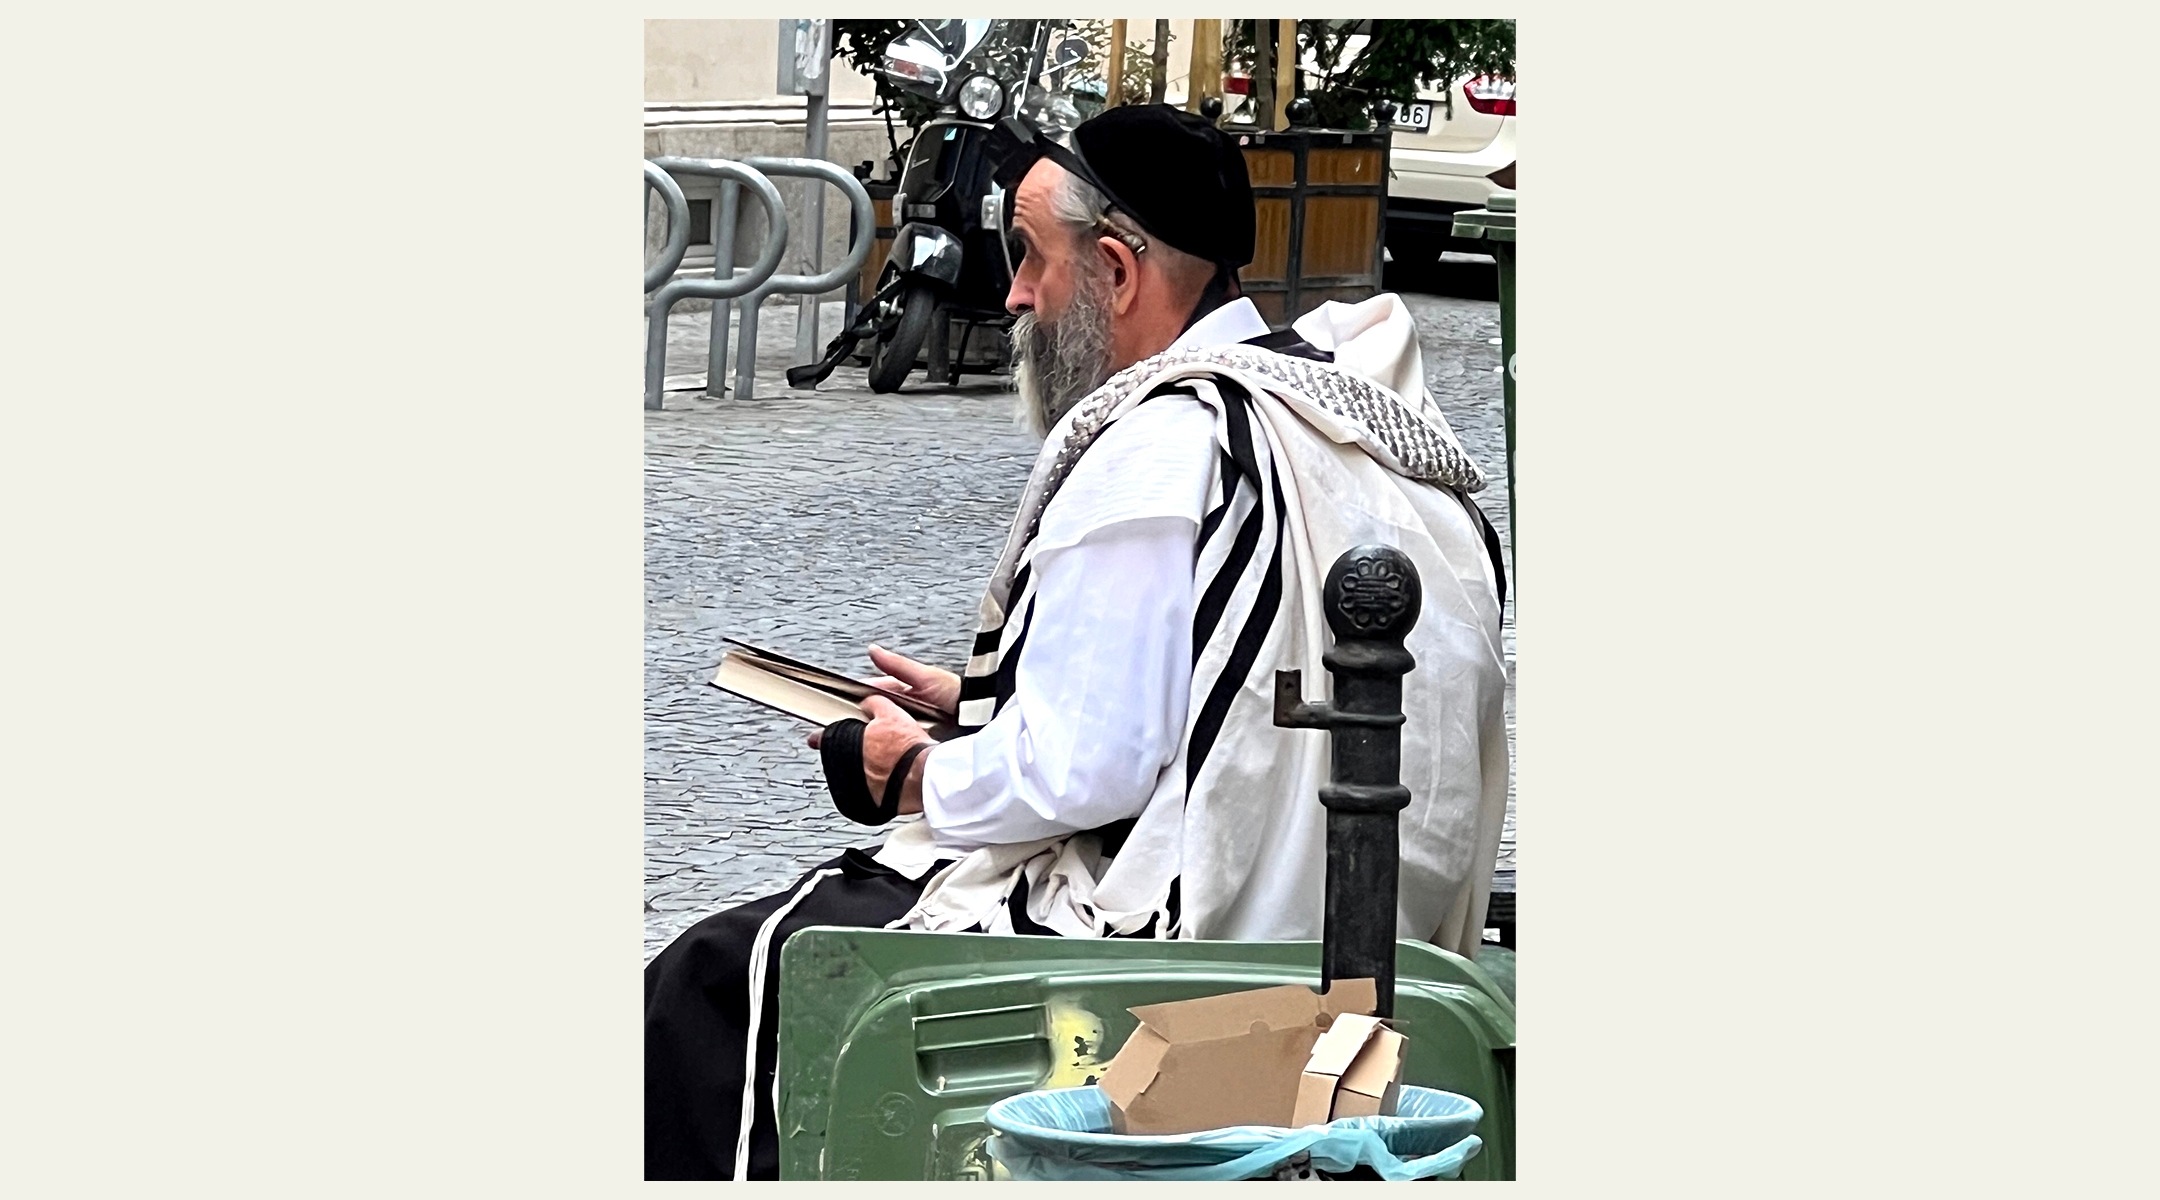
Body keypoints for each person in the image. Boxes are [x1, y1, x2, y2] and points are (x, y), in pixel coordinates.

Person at [645, 104, 1509, 1181]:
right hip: (1364, 927)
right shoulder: (1352, 418)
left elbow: (1086, 767)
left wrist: (912, 773)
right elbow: (1200, 698)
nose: (1012, 293)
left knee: (713, 981)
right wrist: (979, 707)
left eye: (1029, 258)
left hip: (1186, 947)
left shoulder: (1161, 443)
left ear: (1115, 269)